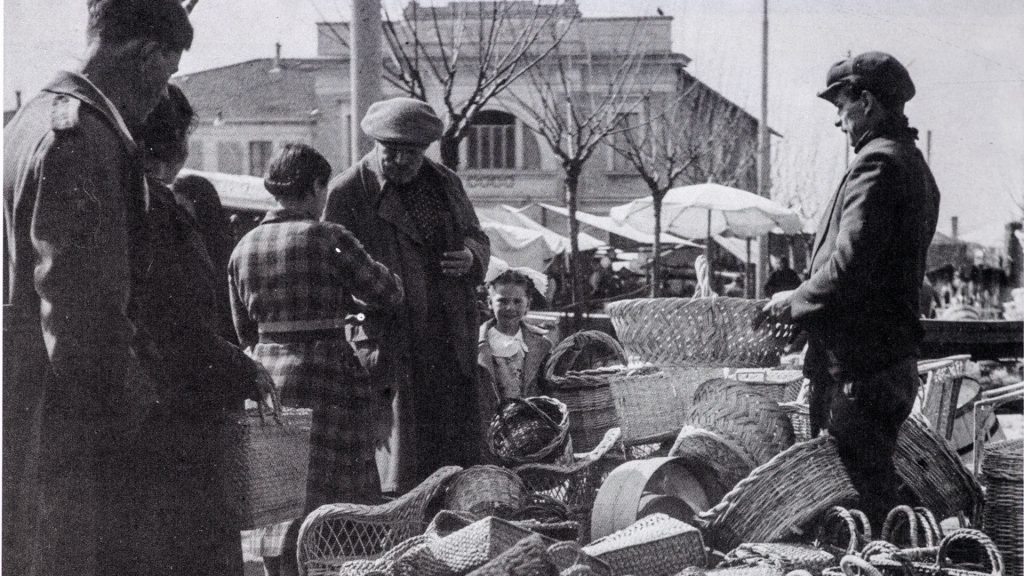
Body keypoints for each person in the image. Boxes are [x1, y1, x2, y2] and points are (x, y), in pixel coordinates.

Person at [2, 2, 200, 574]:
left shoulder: (31, 119)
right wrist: (142, 417)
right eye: (165, 75)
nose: (161, 96)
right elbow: (82, 321)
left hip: (25, 407)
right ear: (146, 57)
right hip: (69, 430)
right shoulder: (81, 140)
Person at [763, 51, 940, 529]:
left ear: (865, 101)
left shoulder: (877, 164)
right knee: (873, 491)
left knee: (857, 506)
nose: (839, 121)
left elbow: (849, 266)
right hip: (886, 362)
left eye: (840, 105)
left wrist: (793, 301)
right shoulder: (915, 167)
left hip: (858, 368)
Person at [230, 143, 405, 575]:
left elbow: (242, 331)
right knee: (336, 502)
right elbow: (388, 292)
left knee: (278, 502)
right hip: (328, 378)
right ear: (314, 186)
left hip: (267, 379)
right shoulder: (330, 238)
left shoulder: (243, 248)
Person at [129, 83, 276, 576]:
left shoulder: (120, 201)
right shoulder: (160, 210)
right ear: (179, 144)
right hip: (182, 422)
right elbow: (183, 326)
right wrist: (242, 367)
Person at [324, 97, 490, 492]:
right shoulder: (349, 191)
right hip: (391, 342)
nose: (399, 161)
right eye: (390, 151)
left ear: (425, 150)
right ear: (374, 144)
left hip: (448, 339)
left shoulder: (445, 182)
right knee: (398, 468)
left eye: (410, 153)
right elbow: (328, 261)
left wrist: (471, 256)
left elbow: (478, 237)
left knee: (453, 456)